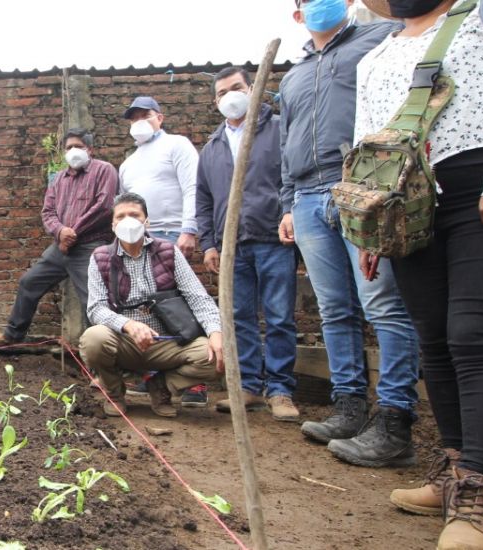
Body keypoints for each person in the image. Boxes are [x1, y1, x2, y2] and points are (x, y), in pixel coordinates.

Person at [356, 1, 483, 547]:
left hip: (482, 184)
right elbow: (367, 143)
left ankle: (481, 498)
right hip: (409, 201)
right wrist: (372, 224)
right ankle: (454, 473)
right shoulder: (375, 53)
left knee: (475, 335)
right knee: (436, 342)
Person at [278, 0, 421, 467]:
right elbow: (286, 143)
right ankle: (349, 408)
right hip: (306, 195)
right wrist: (287, 204)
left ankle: (395, 419)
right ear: (297, 14)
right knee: (334, 309)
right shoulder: (292, 75)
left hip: (362, 188)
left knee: (383, 304)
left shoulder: (381, 38)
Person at [195, 67, 300, 422]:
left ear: (253, 88)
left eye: (236, 87)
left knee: (279, 315)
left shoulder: (279, 129)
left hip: (272, 237)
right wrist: (209, 243)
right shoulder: (212, 146)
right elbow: (204, 200)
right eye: (222, 92)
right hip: (231, 246)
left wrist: (289, 213)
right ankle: (250, 386)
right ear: (215, 101)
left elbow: (292, 176)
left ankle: (281, 390)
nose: (230, 96)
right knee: (239, 318)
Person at [79, 192, 225, 418]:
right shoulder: (101, 257)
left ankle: (162, 387)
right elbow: (96, 309)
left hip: (167, 342)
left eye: (134, 215)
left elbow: (198, 297)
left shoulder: (167, 251)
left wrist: (216, 331)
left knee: (217, 355)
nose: (128, 220)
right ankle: (115, 392)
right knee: (93, 339)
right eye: (121, 216)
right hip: (124, 341)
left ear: (146, 221)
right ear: (113, 223)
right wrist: (128, 325)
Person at [118, 96, 209, 407]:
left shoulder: (177, 145)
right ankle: (153, 377)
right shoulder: (128, 163)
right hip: (140, 239)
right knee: (149, 307)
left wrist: (189, 229)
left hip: (172, 235)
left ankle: (194, 385)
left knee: (181, 305)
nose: (139, 121)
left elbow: (192, 187)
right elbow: (125, 206)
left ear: (160, 117)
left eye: (145, 114)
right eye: (133, 117)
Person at [0, 128, 117, 345]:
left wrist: (72, 232)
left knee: (92, 302)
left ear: (90, 149)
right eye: (69, 147)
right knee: (29, 282)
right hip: (61, 248)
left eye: (78, 146)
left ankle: (99, 358)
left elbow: (104, 207)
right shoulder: (59, 178)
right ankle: (13, 334)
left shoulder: (104, 170)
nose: (73, 151)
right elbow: (47, 212)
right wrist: (60, 232)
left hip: (90, 247)